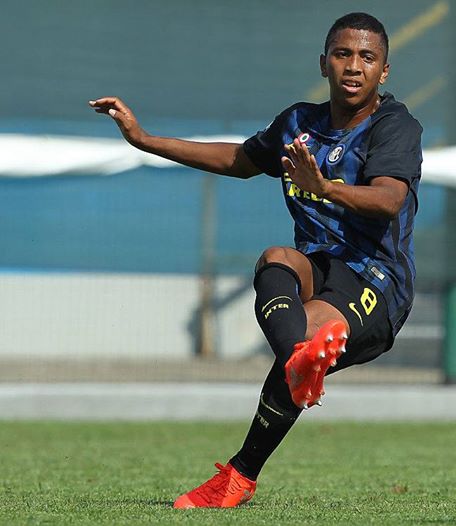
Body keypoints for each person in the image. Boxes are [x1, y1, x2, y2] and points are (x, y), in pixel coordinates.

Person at [89, 12, 422, 509]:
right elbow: (238, 160)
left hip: (378, 281)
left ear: (384, 71)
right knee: (277, 260)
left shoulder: (395, 126)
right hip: (321, 269)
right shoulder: (298, 123)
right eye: (343, 54)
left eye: (367, 57)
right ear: (324, 63)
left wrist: (324, 187)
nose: (354, 66)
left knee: (310, 336)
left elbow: (389, 199)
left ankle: (255, 447)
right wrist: (144, 140)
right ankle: (259, 439)